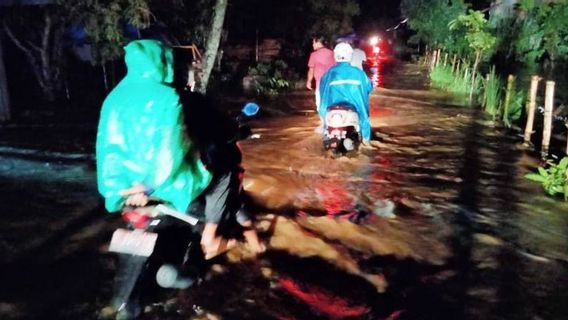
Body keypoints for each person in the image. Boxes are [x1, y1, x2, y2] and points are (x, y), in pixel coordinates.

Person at [96, 39, 264, 260]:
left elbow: (106, 150)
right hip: (161, 184)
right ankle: (213, 239)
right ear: (163, 64)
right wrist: (146, 186)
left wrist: (118, 189)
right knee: (225, 174)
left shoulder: (113, 99)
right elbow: (171, 150)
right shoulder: (172, 98)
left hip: (125, 190)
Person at [319, 42, 373, 144]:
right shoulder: (358, 73)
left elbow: (322, 89)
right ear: (350, 55)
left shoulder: (329, 73)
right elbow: (369, 87)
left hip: (332, 111)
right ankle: (366, 141)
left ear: (336, 55)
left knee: (326, 127)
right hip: (355, 107)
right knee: (364, 119)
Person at [306, 35, 335, 132]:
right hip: (332, 85)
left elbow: (311, 69)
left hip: (320, 85)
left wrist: (309, 81)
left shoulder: (314, 55)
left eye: (313, 42)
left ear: (318, 42)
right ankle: (332, 124)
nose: (312, 44)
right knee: (331, 104)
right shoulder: (332, 53)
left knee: (320, 105)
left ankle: (324, 125)